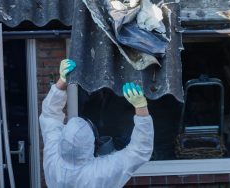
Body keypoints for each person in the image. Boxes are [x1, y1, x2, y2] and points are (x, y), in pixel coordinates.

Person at [39, 59, 154, 188]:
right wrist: (141, 107)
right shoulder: (99, 173)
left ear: (63, 138)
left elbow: (49, 117)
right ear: (91, 143)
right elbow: (140, 151)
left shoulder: (54, 159)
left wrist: (61, 82)